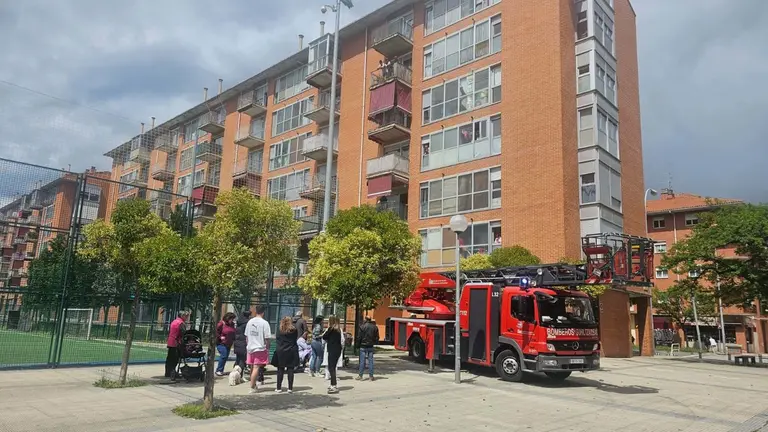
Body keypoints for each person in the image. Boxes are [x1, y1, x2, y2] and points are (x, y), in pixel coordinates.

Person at [245, 305, 271, 394]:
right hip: (260, 347)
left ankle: (253, 384)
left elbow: (247, 336)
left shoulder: (250, 322)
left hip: (250, 347)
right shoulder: (265, 323)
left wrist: (248, 344)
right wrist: (267, 348)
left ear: (256, 311)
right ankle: (252, 386)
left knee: (252, 366)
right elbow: (267, 338)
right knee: (256, 367)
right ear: (263, 312)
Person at [271, 316, 300, 393]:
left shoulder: (279, 330)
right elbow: (295, 339)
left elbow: (277, 339)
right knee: (290, 369)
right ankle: (290, 388)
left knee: (280, 369)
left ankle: (278, 388)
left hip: (281, 350)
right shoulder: (294, 330)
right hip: (291, 350)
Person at [165, 310, 189, 379]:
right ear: (182, 316)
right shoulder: (181, 323)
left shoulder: (174, 321)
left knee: (169, 358)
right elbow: (183, 333)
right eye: (186, 316)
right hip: (176, 342)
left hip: (170, 341)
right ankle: (172, 372)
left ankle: (168, 372)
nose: (186, 318)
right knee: (175, 359)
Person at [322, 316, 344, 394]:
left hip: (332, 350)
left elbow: (324, 337)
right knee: (333, 367)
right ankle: (332, 384)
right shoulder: (338, 330)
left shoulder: (331, 329)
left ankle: (334, 385)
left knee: (331, 368)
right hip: (337, 350)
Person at [356, 316, 379, 381]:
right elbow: (377, 337)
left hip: (363, 346)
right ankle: (371, 377)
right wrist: (374, 342)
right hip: (370, 346)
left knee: (362, 362)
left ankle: (360, 376)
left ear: (365, 319)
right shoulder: (375, 327)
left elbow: (359, 337)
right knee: (371, 361)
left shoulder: (362, 327)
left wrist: (358, 345)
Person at [215, 312, 237, 376]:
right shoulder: (221, 324)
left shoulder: (232, 324)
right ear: (228, 318)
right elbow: (216, 332)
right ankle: (218, 370)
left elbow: (233, 332)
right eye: (231, 319)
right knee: (223, 355)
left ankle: (221, 370)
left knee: (225, 357)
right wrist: (220, 337)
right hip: (221, 343)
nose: (232, 320)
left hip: (229, 343)